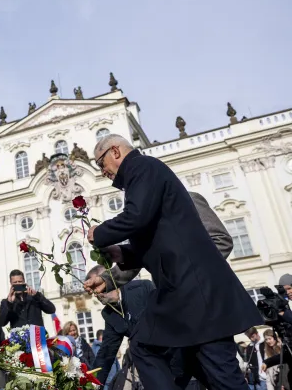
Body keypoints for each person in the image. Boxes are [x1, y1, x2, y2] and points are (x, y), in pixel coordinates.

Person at [84, 134, 261, 390]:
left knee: (222, 376)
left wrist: (100, 233)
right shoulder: (142, 177)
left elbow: (136, 216)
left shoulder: (141, 166)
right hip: (183, 295)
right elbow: (156, 243)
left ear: (115, 151)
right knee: (145, 345)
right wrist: (121, 255)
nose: (102, 172)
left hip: (197, 294)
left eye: (101, 164)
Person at [85, 191, 233, 293]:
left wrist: (181, 275)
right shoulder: (143, 214)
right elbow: (148, 255)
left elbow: (221, 241)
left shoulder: (186, 199)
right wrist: (109, 277)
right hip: (172, 298)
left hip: (206, 295)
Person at [87, 265, 153, 388]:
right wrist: (91, 385)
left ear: (109, 279)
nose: (96, 293)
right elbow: (106, 354)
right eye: (93, 290)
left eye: (97, 286)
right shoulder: (109, 314)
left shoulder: (144, 288)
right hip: (147, 368)